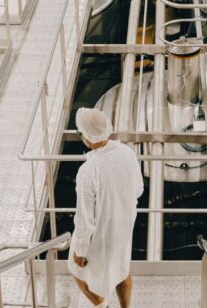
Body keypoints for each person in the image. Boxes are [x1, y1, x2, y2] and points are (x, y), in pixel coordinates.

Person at [69, 107, 144, 308]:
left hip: (102, 238)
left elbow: (85, 219)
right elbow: (138, 190)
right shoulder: (127, 152)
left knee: (77, 272)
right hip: (124, 228)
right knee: (122, 270)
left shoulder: (88, 172)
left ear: (85, 136)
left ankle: (103, 306)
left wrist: (80, 251)